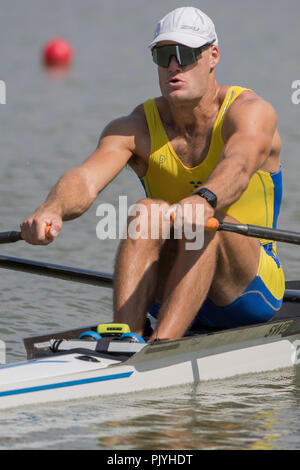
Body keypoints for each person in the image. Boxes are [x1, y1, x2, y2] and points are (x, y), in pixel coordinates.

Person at [21, 7, 285, 342]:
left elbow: (241, 163)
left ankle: (162, 347)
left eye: (186, 54)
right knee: (146, 211)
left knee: (203, 220)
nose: (174, 65)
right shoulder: (135, 127)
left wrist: (204, 199)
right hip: (174, 286)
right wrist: (51, 209)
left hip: (248, 293)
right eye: (163, 55)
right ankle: (126, 338)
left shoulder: (249, 112)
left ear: (213, 56)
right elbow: (86, 178)